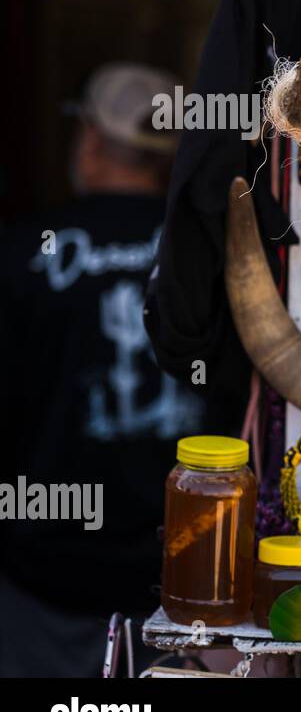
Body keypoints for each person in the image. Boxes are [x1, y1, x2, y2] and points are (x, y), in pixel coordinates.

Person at [0, 63, 206, 676]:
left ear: (89, 141)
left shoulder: (19, 252)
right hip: (180, 573)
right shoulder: (211, 257)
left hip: (43, 575)